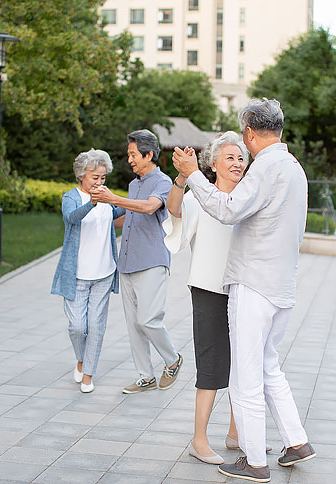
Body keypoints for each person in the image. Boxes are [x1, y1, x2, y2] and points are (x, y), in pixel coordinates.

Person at [172, 99, 315, 483]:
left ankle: (254, 461)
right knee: (269, 367)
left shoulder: (266, 167)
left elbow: (229, 209)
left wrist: (192, 174)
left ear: (250, 133)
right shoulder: (294, 168)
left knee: (246, 375)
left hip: (253, 284)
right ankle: (297, 441)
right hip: (282, 283)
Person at [164, 132, 250, 465]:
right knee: (212, 367)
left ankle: (236, 434)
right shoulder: (201, 197)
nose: (237, 163)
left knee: (243, 365)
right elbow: (174, 209)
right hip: (208, 291)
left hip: (241, 291)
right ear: (213, 164)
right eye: (229, 157)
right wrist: (183, 178)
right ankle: (199, 440)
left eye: (241, 158)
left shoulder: (246, 198)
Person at [91, 129, 183, 394]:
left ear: (149, 154)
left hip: (152, 260)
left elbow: (149, 207)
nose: (129, 159)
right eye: (128, 154)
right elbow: (126, 215)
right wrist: (101, 207)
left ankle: (173, 359)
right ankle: (145, 376)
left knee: (148, 319)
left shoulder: (162, 182)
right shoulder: (134, 184)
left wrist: (113, 198)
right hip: (128, 262)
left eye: (133, 154)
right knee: (133, 324)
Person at [50, 149, 125, 394]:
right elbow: (71, 218)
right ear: (82, 175)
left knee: (95, 325)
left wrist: (130, 200)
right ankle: (80, 360)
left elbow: (121, 212)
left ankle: (88, 373)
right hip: (77, 275)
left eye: (103, 178)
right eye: (95, 178)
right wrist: (93, 203)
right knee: (76, 327)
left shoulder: (107, 198)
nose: (100, 183)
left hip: (104, 272)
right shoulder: (71, 197)